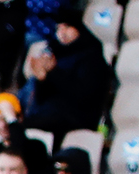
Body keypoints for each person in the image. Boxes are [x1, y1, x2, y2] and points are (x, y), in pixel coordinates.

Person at [21, 9, 111, 143]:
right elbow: (43, 98)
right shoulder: (56, 52)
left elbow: (84, 95)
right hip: (52, 113)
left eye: (67, 27)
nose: (62, 33)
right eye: (58, 29)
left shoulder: (92, 56)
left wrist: (54, 72)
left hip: (79, 116)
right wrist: (42, 80)